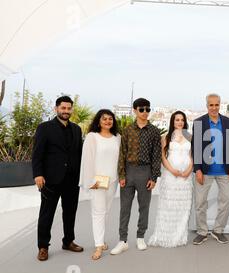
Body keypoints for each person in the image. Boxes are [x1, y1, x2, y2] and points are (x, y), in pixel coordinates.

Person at [32, 95, 84, 261]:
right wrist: (38, 174)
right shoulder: (44, 128)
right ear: (56, 109)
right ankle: (42, 246)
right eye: (63, 108)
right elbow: (37, 154)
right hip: (50, 179)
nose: (66, 111)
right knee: (47, 214)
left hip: (72, 180)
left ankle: (68, 241)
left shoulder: (77, 129)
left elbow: (79, 154)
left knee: (70, 213)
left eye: (69, 108)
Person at [111, 98, 162, 255]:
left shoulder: (154, 131)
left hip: (145, 172)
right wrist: (121, 174)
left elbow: (156, 156)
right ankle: (123, 240)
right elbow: (122, 154)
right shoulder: (127, 130)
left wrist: (153, 177)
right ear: (135, 110)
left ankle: (141, 237)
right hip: (128, 171)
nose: (145, 112)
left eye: (148, 109)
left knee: (144, 207)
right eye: (142, 109)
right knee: (124, 208)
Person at [191, 94, 229, 245]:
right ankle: (202, 232)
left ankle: (218, 230)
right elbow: (196, 147)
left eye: (217, 104)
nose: (214, 108)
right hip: (204, 171)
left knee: (227, 200)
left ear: (220, 105)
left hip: (224, 170)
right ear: (207, 106)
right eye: (211, 105)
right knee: (200, 203)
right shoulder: (199, 122)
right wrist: (197, 169)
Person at [79, 109, 121, 260]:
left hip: (113, 180)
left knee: (106, 211)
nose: (108, 121)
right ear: (98, 121)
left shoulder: (117, 137)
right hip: (97, 181)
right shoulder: (92, 137)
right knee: (98, 213)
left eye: (110, 119)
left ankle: (101, 240)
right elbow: (87, 160)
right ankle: (98, 246)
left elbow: (120, 160)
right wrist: (91, 181)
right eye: (104, 119)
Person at [148, 111, 193, 247]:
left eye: (182, 120)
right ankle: (164, 236)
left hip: (186, 177)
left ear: (185, 122)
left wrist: (188, 171)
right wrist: (172, 170)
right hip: (170, 176)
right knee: (168, 206)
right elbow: (163, 157)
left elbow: (192, 156)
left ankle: (180, 236)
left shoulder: (190, 137)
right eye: (177, 120)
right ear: (172, 122)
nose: (179, 122)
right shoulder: (166, 137)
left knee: (183, 206)